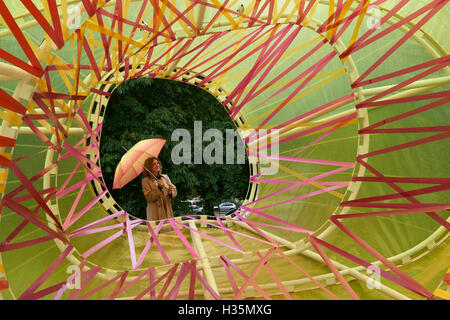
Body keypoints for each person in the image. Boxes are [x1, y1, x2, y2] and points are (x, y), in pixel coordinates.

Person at [141, 156, 177, 221]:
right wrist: (159, 188)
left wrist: (171, 193)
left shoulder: (165, 177)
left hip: (167, 212)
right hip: (155, 214)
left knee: (169, 230)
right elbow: (149, 197)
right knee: (157, 230)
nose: (157, 165)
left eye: (158, 163)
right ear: (149, 167)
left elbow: (174, 190)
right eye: (154, 164)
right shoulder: (145, 181)